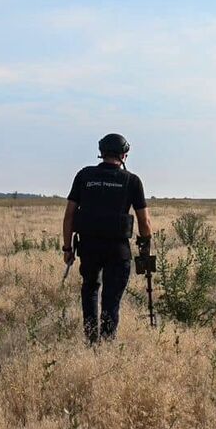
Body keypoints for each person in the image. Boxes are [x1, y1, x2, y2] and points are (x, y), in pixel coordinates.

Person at [62, 133, 153, 342]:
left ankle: (91, 340)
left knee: (90, 290)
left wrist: (67, 249)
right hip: (118, 250)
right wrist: (145, 250)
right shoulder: (132, 180)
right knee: (111, 299)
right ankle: (107, 342)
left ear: (101, 153)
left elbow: (69, 216)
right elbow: (145, 222)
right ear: (124, 155)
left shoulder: (84, 176)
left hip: (89, 247)